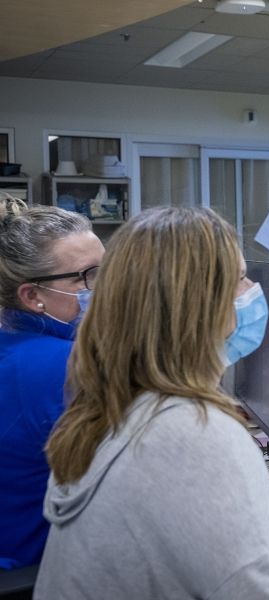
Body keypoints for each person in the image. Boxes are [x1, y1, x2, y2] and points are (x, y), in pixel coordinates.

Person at [34, 207, 269, 599]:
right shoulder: (194, 432)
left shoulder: (105, 407)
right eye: (241, 278)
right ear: (202, 307)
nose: (251, 292)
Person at [0, 197, 104, 570]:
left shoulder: (12, 341)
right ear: (33, 296)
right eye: (87, 276)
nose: (104, 287)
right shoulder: (60, 366)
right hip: (40, 572)